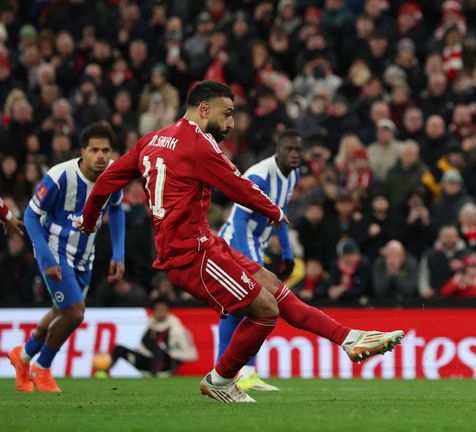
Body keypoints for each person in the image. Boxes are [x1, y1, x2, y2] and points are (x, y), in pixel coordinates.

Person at [77, 81, 403, 403]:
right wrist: (273, 209)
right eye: (228, 113)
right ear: (204, 109)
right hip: (189, 253)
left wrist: (89, 221)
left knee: (273, 285)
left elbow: (107, 180)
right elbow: (237, 187)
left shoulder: (151, 140)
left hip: (205, 242)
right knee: (265, 310)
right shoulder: (198, 144)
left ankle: (349, 338)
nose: (232, 123)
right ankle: (221, 379)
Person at [8, 122, 125, 393]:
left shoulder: (113, 175)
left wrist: (118, 254)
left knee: (61, 311)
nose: (100, 156)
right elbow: (30, 215)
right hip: (55, 248)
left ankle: (22, 356)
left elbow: (117, 210)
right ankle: (42, 367)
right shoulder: (60, 176)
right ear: (82, 151)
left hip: (85, 254)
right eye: (94, 150)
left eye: (105, 150)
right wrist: (47, 258)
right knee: (74, 313)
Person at [216, 130, 303, 392]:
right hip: (235, 242)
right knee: (246, 306)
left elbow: (281, 213)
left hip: (257, 244)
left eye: (299, 150)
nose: (295, 155)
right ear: (278, 149)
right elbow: (239, 218)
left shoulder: (293, 175)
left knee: (246, 308)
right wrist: (247, 261)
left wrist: (287, 251)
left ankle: (242, 373)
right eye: (290, 149)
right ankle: (232, 371)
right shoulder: (259, 175)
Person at [110, 296, 198, 376]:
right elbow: (141, 347)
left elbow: (192, 355)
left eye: (163, 309)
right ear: (153, 311)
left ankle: (153, 377)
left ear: (168, 311)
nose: (160, 312)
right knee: (119, 349)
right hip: (148, 360)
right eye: (157, 309)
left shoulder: (176, 329)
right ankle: (104, 373)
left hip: (166, 363)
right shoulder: (150, 324)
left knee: (158, 350)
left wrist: (169, 353)